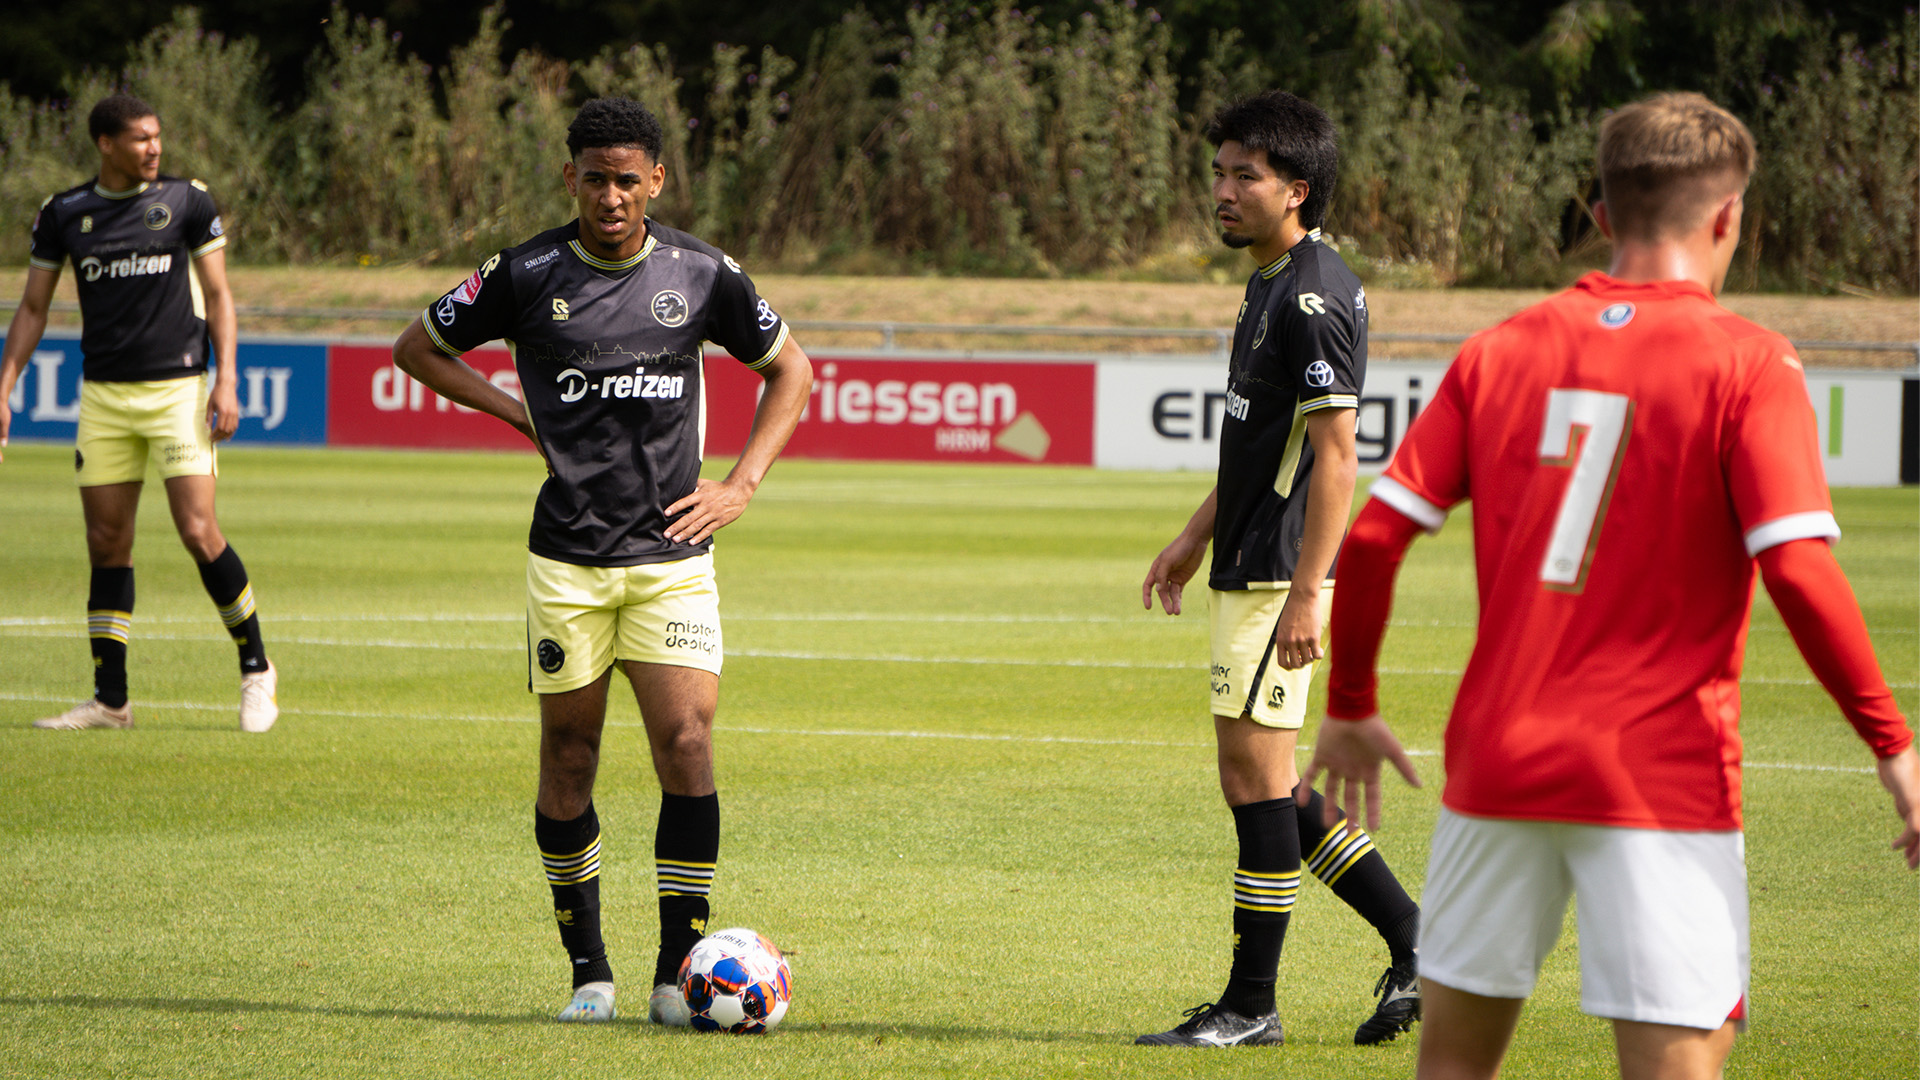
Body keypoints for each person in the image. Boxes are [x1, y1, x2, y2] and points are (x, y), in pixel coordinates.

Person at [1307, 91, 1920, 1080]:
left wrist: (1350, 706)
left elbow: (1373, 540)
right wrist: (1894, 744)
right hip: (1659, 773)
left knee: (1453, 1066)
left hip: (1499, 765)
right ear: (1730, 219)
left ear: (1599, 215)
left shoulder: (1500, 348)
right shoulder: (1753, 363)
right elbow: (1798, 568)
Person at [390, 97, 812, 1027]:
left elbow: (793, 370)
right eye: (595, 178)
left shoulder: (702, 273)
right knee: (569, 756)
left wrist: (740, 484)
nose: (612, 196)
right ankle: (589, 973)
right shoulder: (526, 270)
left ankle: (675, 971)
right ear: (569, 178)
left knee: (688, 746)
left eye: (629, 179)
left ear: (656, 180)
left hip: (671, 555)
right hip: (569, 559)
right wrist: (509, 408)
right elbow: (417, 347)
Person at [1136, 89, 1421, 1049]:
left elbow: (1340, 454)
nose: (1221, 189)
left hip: (1275, 581)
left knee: (1253, 783)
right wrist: (1191, 537)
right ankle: (1420, 943)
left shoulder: (1311, 293)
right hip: (1246, 564)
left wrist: (1307, 595)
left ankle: (1251, 1007)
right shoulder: (1268, 279)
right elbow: (1260, 445)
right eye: (1218, 171)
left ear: (1296, 189)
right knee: (1271, 782)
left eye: (1243, 175)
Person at [0, 93, 277, 733]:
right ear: (105, 144)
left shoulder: (187, 201)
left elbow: (219, 295)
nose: (154, 147)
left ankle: (257, 671)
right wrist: (4, 384)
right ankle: (110, 701)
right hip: (103, 396)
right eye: (140, 139)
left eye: (157, 136)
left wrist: (226, 379)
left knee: (198, 530)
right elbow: (33, 308)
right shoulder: (65, 213)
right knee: (106, 544)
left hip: (177, 390)